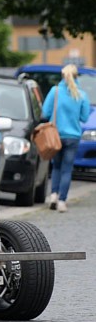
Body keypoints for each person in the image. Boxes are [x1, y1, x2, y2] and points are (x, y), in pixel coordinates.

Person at [42, 64, 90, 212]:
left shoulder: (55, 91)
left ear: (62, 76)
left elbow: (45, 112)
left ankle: (53, 195)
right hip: (73, 136)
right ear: (76, 76)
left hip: (55, 135)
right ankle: (62, 201)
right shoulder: (81, 94)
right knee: (67, 170)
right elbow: (84, 116)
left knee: (56, 166)